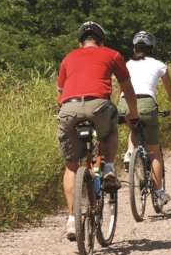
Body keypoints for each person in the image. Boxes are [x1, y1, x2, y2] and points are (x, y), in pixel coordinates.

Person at [57, 22, 139, 240]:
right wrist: (133, 113)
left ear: (80, 42)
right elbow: (127, 87)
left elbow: (59, 95)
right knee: (111, 129)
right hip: (99, 106)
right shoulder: (112, 54)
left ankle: (72, 220)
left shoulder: (68, 57)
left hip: (69, 107)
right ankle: (109, 169)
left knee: (71, 165)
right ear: (102, 41)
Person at [117, 31, 171, 208]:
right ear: (152, 49)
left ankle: (130, 153)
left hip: (124, 104)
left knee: (134, 127)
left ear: (134, 48)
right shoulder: (159, 65)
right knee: (154, 152)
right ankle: (159, 194)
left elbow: (121, 87)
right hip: (146, 104)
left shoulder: (126, 64)